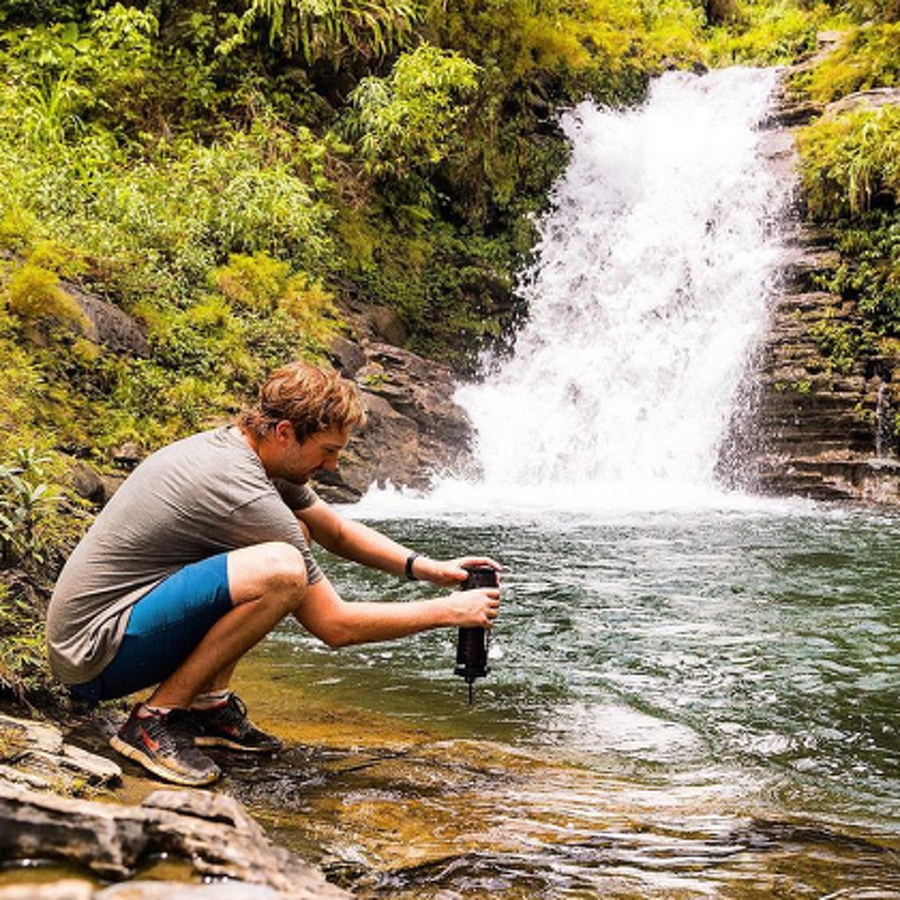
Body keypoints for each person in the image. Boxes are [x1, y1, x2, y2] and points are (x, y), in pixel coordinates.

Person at [46, 361, 501, 787]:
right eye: (327, 451)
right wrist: (448, 612)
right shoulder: (239, 487)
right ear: (285, 432)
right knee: (282, 570)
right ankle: (154, 721)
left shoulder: (250, 452)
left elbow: (336, 530)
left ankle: (208, 707)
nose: (332, 466)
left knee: (295, 535)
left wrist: (428, 568)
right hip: (95, 651)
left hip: (107, 633)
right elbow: (334, 626)